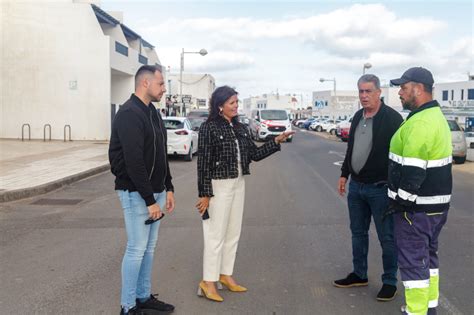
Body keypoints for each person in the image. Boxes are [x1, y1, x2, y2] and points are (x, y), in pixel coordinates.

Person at [195, 86, 294, 302]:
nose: (236, 106)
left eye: (237, 102)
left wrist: (275, 141)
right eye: (232, 103)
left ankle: (225, 275)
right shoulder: (208, 128)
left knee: (232, 233)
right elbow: (203, 162)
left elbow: (255, 154)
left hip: (238, 183)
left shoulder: (240, 128)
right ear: (220, 105)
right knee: (215, 235)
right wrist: (204, 193)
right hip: (218, 186)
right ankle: (208, 281)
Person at [109, 65, 176, 315]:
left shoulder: (153, 113)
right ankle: (128, 306)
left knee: (148, 248)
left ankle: (143, 296)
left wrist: (168, 187)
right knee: (136, 249)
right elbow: (133, 162)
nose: (164, 88)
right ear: (145, 83)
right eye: (161, 84)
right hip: (137, 194)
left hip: (156, 192)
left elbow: (161, 154)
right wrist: (149, 200)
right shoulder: (129, 114)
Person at [388, 67, 452, 315]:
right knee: (429, 260)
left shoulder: (420, 122)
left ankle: (415, 311)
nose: (400, 94)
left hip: (416, 211)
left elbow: (413, 172)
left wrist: (400, 203)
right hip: (436, 208)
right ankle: (429, 307)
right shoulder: (436, 117)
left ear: (418, 88)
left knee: (413, 265)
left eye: (403, 88)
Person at [334, 74, 403, 301]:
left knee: (387, 237)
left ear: (379, 92)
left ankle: (390, 281)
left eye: (368, 91)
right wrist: (344, 174)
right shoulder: (357, 116)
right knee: (358, 233)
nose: (364, 96)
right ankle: (359, 274)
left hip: (380, 188)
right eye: (361, 92)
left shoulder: (392, 119)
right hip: (357, 187)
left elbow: (401, 155)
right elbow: (351, 149)